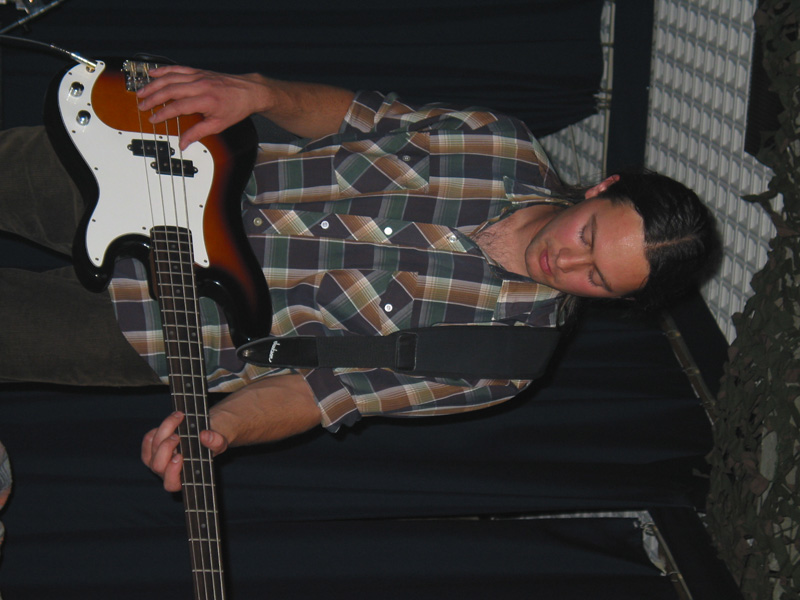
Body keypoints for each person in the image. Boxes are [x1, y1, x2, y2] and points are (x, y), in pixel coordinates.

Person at [0, 66, 718, 492]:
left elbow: (322, 393)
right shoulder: (499, 142)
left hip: (165, 326)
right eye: (587, 237)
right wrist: (256, 92)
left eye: (600, 280)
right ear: (601, 188)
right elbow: (353, 116)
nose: (568, 264)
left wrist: (221, 429)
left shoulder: (502, 363)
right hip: (163, 169)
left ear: (624, 301)